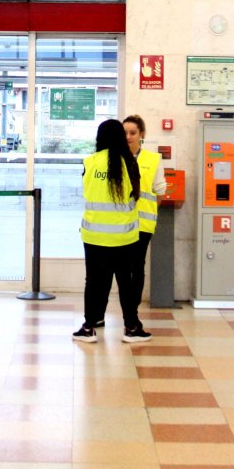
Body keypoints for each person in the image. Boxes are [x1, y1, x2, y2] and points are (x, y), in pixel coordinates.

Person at [73, 119, 152, 343]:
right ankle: (131, 327)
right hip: (124, 236)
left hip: (94, 235)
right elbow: (135, 197)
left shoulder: (89, 162)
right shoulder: (130, 163)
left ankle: (89, 327)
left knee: (94, 282)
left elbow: (87, 191)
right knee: (126, 283)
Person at [122, 114, 166, 317]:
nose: (128, 137)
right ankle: (126, 308)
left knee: (137, 266)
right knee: (122, 268)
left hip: (143, 225)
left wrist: (148, 212)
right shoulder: (117, 158)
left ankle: (133, 308)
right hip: (119, 224)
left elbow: (159, 192)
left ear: (142, 135)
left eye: (133, 133)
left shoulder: (153, 159)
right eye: (125, 133)